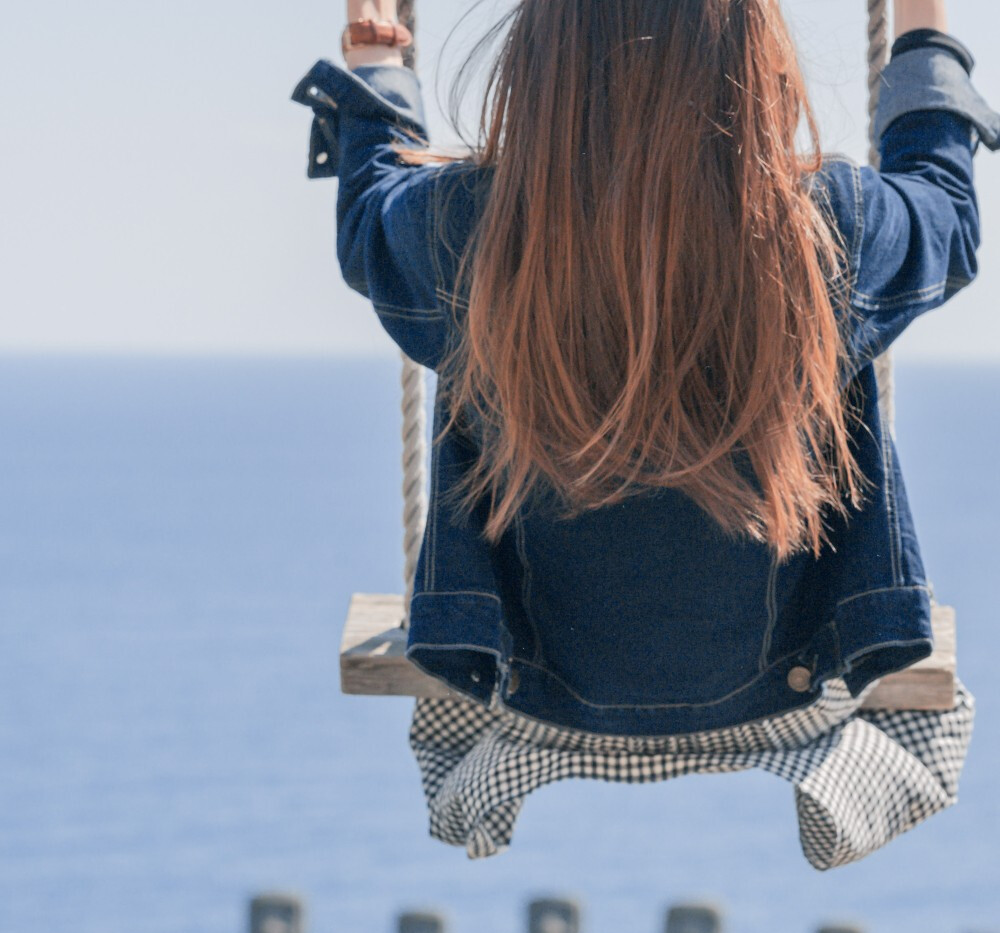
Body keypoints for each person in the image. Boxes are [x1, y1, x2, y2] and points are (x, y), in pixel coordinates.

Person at [292, 0, 998, 866]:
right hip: (798, 701)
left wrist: (376, 66)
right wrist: (923, 29)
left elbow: (371, 216)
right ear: (757, 58)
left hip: (531, 699)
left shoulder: (465, 232)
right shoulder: (824, 230)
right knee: (832, 333)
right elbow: (944, 210)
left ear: (539, 66)